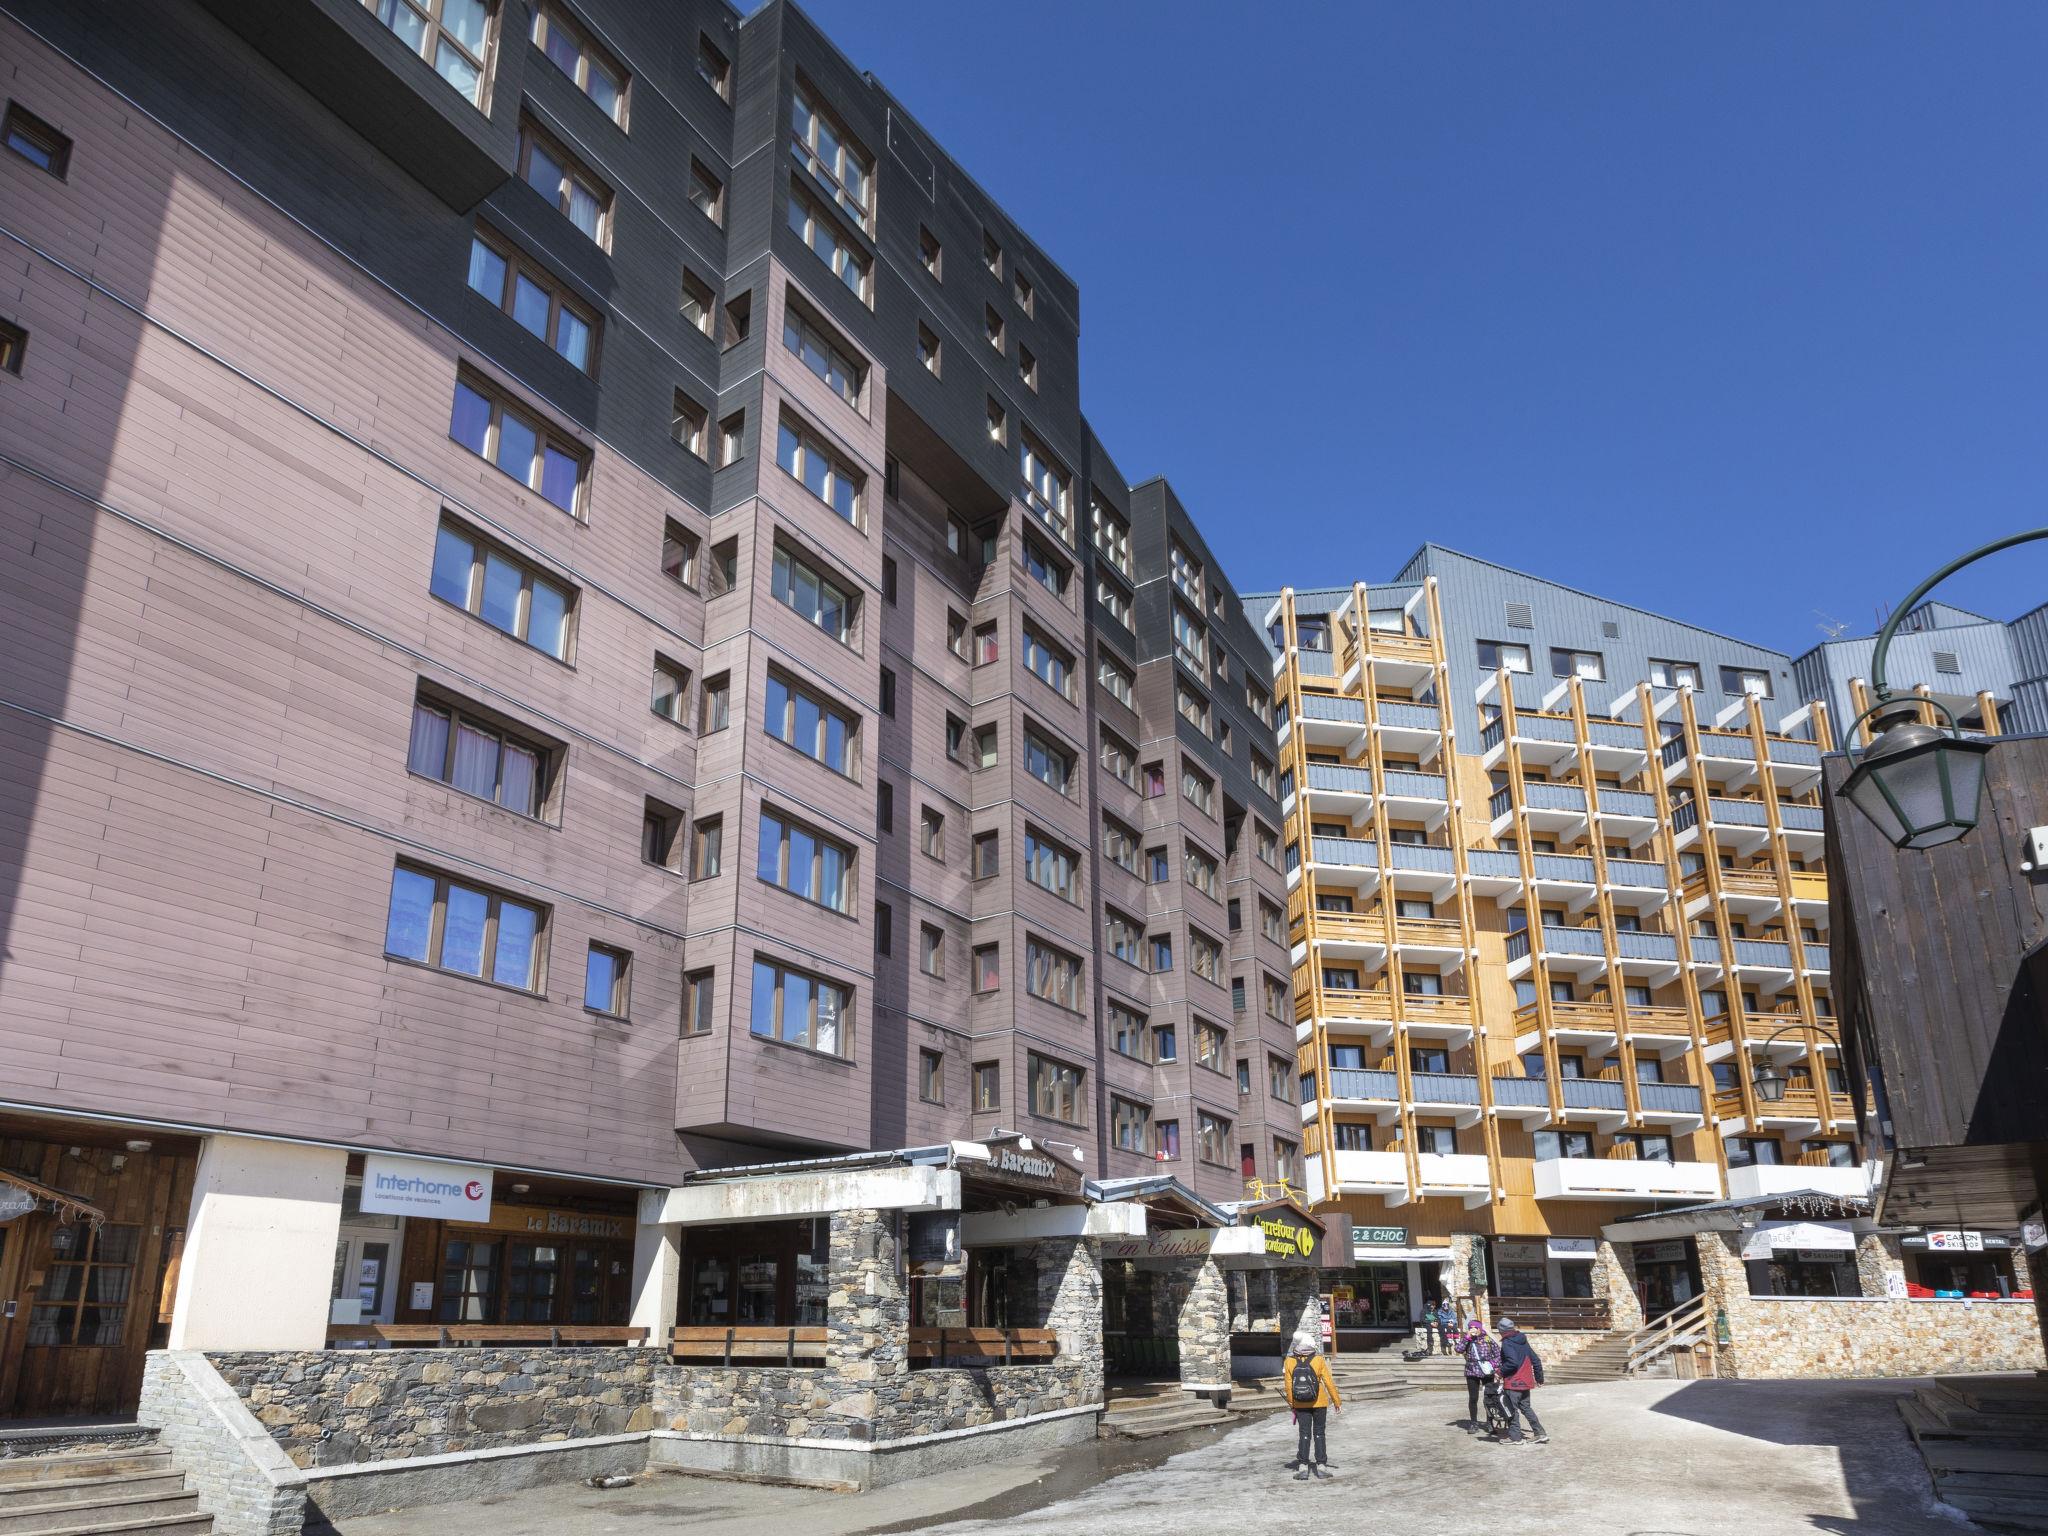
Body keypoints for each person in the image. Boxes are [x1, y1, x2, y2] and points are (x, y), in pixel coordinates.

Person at [1284, 1333, 1341, 1479]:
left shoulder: (1289, 1361)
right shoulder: (1318, 1360)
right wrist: (1336, 1401)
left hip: (1300, 1403)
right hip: (1319, 1402)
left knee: (1304, 1433)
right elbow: (1328, 1382)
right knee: (1319, 1433)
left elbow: (1288, 1386)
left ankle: (1303, 1466)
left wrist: (1292, 1404)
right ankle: (1321, 1465)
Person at [1495, 1317, 1548, 1444]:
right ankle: (1540, 1433)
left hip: (1514, 1382)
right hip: (1526, 1381)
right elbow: (1536, 1360)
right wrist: (1539, 1378)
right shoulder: (1522, 1340)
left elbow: (1512, 1363)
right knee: (1526, 1408)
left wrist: (1499, 1372)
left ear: (1501, 1330)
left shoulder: (1507, 1342)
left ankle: (1515, 1437)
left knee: (1512, 1409)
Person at [1456, 1318, 1499, 1432]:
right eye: (1471, 1328)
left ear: (1480, 1328)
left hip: (1487, 1372)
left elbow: (1498, 1354)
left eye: (1475, 1327)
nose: (1473, 1329)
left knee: (1489, 1397)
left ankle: (1489, 1423)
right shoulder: (1467, 1339)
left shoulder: (1488, 1339)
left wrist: (1493, 1364)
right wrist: (1467, 1337)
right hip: (1472, 1371)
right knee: (1473, 1398)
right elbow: (1458, 1349)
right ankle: (1474, 1423)